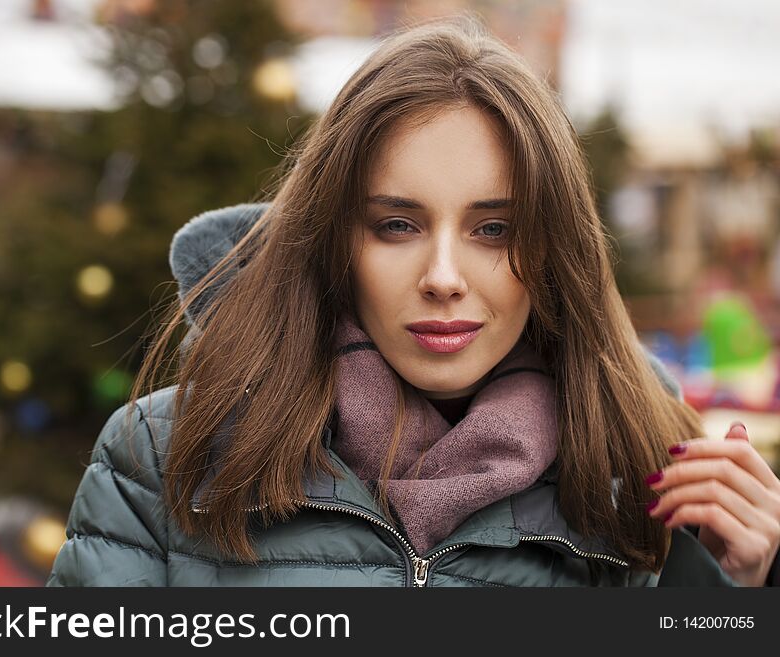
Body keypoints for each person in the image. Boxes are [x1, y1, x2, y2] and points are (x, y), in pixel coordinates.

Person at [47, 15, 780, 587]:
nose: (443, 275)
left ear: (554, 251)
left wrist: (728, 589)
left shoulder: (630, 483)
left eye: (494, 228)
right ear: (335, 240)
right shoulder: (165, 454)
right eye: (397, 225)